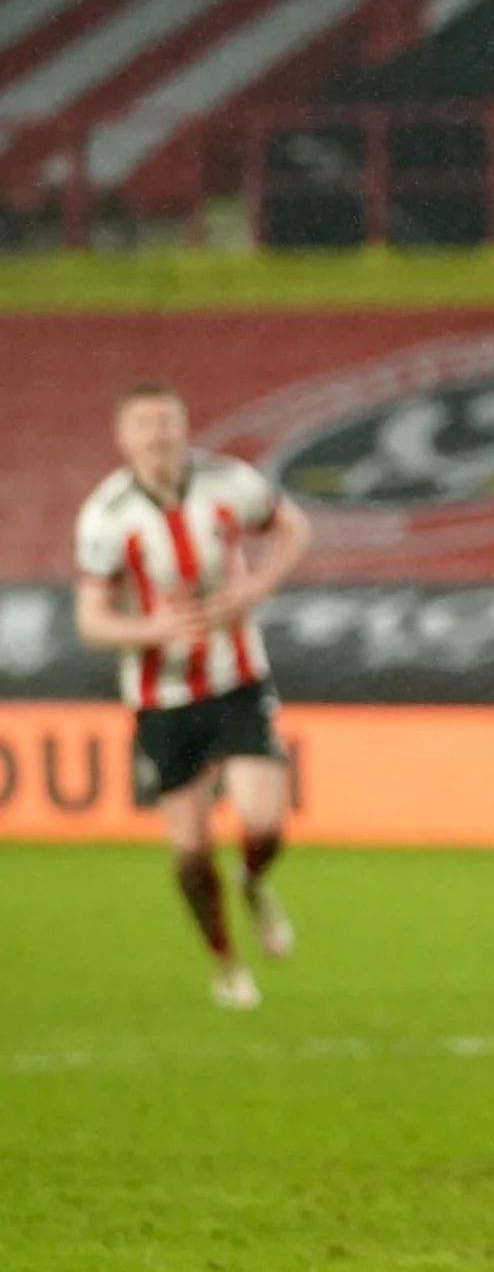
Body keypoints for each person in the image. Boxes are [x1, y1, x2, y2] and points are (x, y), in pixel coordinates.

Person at [72, 382, 313, 1010]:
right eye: (144, 425)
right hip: (162, 698)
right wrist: (152, 629)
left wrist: (257, 586)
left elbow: (293, 527)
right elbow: (91, 621)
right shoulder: (106, 516)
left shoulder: (227, 482)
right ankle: (226, 963)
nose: (158, 435)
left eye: (167, 422)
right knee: (190, 847)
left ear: (184, 427)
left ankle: (253, 884)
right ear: (123, 439)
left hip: (237, 678)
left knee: (264, 823)